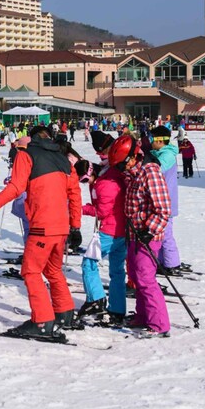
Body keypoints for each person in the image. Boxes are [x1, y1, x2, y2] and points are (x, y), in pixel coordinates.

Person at [0, 125, 81, 340]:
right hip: (61, 227)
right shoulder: (63, 160)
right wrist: (75, 225)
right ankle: (65, 312)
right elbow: (74, 192)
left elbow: (16, 187)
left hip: (42, 226)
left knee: (31, 271)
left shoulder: (27, 156)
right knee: (53, 271)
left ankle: (42, 321)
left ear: (32, 139)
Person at [108, 135, 172, 337]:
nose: (121, 170)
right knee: (136, 277)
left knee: (146, 279)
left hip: (148, 237)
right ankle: (143, 316)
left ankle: (159, 324)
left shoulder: (150, 172)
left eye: (121, 166)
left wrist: (149, 230)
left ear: (132, 158)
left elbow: (163, 209)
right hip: (134, 235)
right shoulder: (135, 172)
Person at [75, 130, 126, 324]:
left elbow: (102, 211)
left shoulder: (105, 183)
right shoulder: (106, 174)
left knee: (89, 263)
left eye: (85, 180)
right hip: (120, 231)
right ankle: (118, 308)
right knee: (117, 270)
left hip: (110, 231)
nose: (85, 184)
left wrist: (80, 209)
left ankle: (96, 299)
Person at [149, 126, 184, 275]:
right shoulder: (159, 152)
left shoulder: (167, 155)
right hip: (159, 200)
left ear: (159, 140)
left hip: (166, 202)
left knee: (166, 234)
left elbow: (156, 169)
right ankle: (162, 261)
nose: (150, 141)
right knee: (160, 234)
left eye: (152, 139)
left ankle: (172, 263)